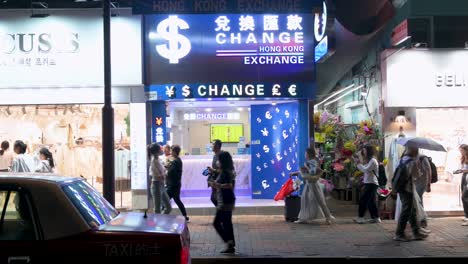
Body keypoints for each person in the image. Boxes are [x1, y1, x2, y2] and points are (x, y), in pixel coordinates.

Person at [290, 147, 335, 224]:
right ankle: (302, 218)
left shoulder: (312, 161)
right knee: (304, 200)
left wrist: (306, 167)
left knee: (320, 201)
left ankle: (328, 217)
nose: (305, 155)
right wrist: (295, 173)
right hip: (309, 184)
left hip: (313, 184)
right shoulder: (310, 161)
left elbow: (312, 172)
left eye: (306, 153)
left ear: (309, 154)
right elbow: (305, 171)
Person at [394, 146, 428, 241]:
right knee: (406, 211)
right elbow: (416, 176)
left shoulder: (401, 160)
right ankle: (399, 233)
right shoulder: (413, 162)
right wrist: (419, 169)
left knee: (410, 210)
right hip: (408, 189)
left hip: (400, 188)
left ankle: (416, 232)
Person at [212, 151, 236, 254]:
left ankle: (228, 242)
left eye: (218, 160)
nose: (217, 162)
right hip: (227, 200)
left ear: (222, 161)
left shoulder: (225, 172)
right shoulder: (226, 171)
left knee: (216, 223)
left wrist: (218, 185)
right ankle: (230, 245)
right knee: (227, 223)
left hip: (225, 201)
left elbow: (229, 185)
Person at [354, 144, 381, 224]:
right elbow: (365, 169)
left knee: (363, 200)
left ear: (368, 151)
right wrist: (359, 162)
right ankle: (375, 217)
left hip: (371, 183)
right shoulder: (369, 160)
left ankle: (361, 217)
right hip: (369, 183)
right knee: (371, 202)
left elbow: (365, 170)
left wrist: (358, 164)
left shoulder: (373, 161)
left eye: (365, 150)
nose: (363, 152)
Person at [166, 145, 189, 222]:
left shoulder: (176, 161)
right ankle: (185, 216)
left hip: (173, 185)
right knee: (177, 200)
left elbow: (171, 172)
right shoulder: (177, 160)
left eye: (172, 151)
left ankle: (161, 216)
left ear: (175, 152)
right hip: (176, 184)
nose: (171, 152)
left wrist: (167, 167)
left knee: (165, 200)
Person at [148, 143, 172, 214]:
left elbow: (163, 172)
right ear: (156, 151)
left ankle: (161, 220)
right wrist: (165, 173)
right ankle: (157, 223)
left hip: (161, 185)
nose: (162, 150)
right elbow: (159, 175)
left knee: (168, 207)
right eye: (160, 149)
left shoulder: (159, 160)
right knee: (157, 209)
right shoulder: (153, 162)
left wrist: (165, 172)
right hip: (156, 185)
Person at [415, 151, 432, 231]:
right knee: (418, 201)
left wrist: (428, 184)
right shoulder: (412, 157)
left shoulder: (422, 158)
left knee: (418, 201)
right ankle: (421, 220)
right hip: (415, 182)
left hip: (422, 182)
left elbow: (428, 171)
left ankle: (422, 220)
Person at [207, 140, 223, 207]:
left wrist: (213, 170)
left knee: (215, 198)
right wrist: (211, 171)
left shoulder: (222, 156)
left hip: (220, 181)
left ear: (217, 146)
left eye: (213, 144)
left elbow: (223, 170)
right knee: (213, 198)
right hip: (215, 180)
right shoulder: (215, 156)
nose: (211, 146)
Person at [456, 144, 468, 226]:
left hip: (467, 176)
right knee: (464, 197)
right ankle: (466, 215)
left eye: (462, 150)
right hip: (464, 177)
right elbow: (464, 168)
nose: (461, 152)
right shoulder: (463, 158)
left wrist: (464, 171)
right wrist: (460, 170)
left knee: (465, 197)